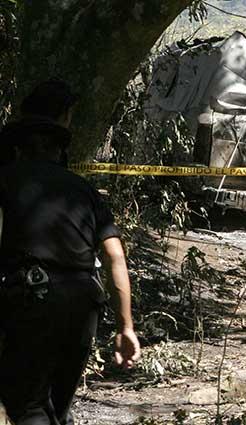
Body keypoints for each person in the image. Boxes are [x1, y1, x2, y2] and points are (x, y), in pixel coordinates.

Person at [0, 80, 141, 425]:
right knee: (54, 408)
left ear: (18, 148)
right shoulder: (84, 189)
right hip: (84, 302)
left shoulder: (5, 180)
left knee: (28, 407)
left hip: (32, 296)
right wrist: (126, 327)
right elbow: (114, 256)